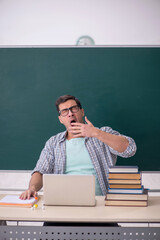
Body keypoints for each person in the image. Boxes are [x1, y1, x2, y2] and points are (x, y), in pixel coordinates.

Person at [20, 94, 137, 200]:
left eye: (73, 108)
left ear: (82, 112)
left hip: (100, 204)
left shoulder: (102, 133)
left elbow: (130, 149)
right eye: (64, 111)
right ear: (60, 119)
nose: (70, 113)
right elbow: (40, 171)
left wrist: (96, 133)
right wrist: (32, 188)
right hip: (62, 203)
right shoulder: (53, 143)